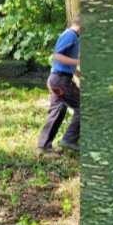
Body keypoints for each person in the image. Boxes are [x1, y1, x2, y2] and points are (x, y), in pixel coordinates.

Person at [37, 16, 81, 152]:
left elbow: (64, 64)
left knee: (57, 111)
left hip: (58, 78)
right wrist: (78, 62)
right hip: (60, 79)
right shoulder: (71, 35)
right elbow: (57, 56)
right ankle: (68, 139)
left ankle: (43, 146)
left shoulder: (70, 35)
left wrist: (78, 73)